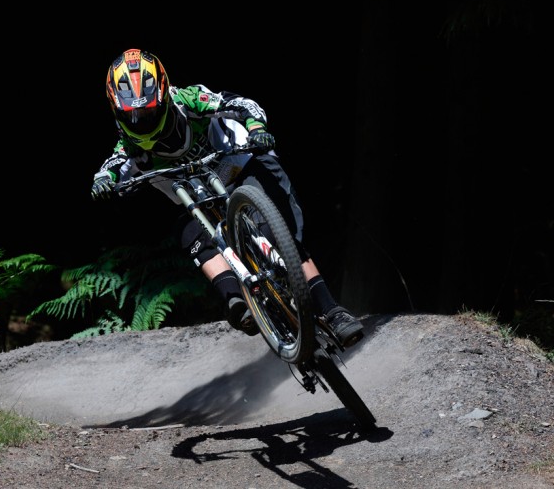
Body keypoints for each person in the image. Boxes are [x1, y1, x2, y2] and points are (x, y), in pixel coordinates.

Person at [90, 48, 365, 348]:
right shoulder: (128, 144)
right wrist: (104, 181)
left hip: (241, 164)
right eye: (132, 115)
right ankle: (235, 300)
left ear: (165, 95)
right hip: (198, 197)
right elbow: (111, 167)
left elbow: (240, 103)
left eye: (148, 112)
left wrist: (256, 128)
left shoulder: (189, 100)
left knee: (275, 233)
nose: (141, 120)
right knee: (186, 230)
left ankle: (332, 311)